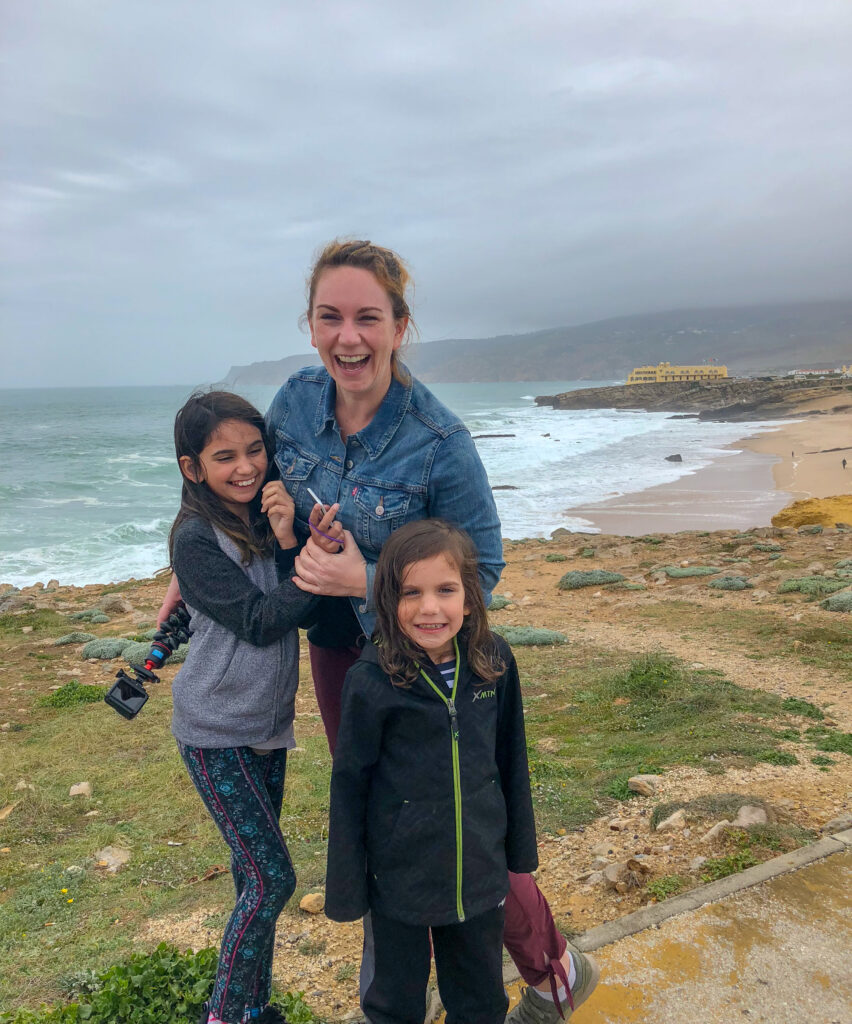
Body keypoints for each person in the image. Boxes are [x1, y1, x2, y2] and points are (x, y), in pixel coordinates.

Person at [159, 240, 598, 1020]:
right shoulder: (293, 402)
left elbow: (483, 568)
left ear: (400, 325)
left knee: (461, 808)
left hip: (430, 659)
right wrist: (193, 570)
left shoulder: (439, 440)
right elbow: (244, 483)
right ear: (311, 323)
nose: (348, 337)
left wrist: (366, 580)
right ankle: (393, 993)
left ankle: (550, 967)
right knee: (382, 808)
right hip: (338, 652)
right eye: (330, 317)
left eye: (368, 317)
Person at [166, 391, 341, 1024]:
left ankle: (255, 1009)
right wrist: (320, 567)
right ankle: (226, 1012)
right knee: (272, 880)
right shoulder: (193, 540)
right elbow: (263, 621)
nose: (245, 466)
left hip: (266, 727)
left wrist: (294, 537)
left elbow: (310, 606)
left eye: (255, 450)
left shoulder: (264, 517)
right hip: (215, 731)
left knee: (252, 880)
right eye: (225, 457)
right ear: (193, 469)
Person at [326, 520, 542, 1023]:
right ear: (387, 602)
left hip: (480, 872)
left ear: (470, 597)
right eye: (410, 593)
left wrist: (517, 852)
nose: (429, 608)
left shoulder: (495, 661)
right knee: (394, 1003)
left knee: (480, 999)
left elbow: (512, 758)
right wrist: (348, 885)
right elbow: (350, 786)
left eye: (445, 590)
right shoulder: (370, 680)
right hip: (399, 880)